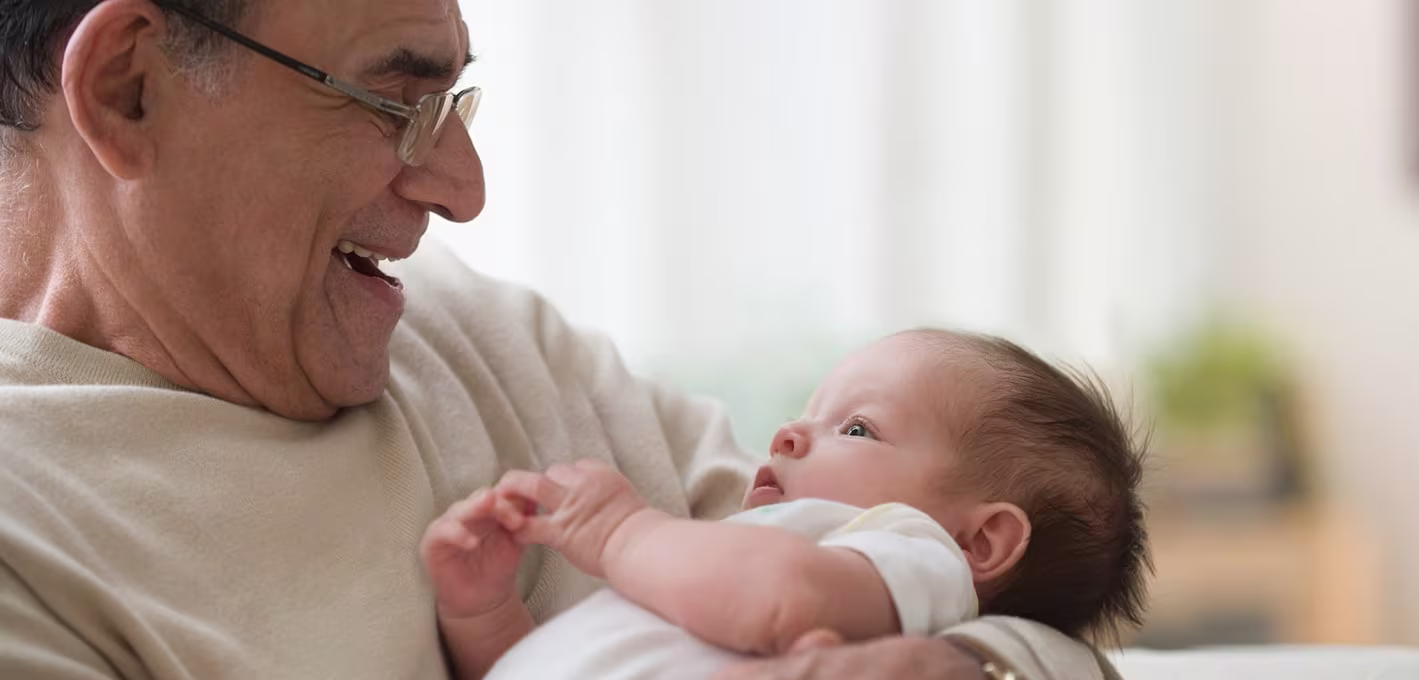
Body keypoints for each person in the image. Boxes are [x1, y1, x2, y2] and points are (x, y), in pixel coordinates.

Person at [0, 0, 1121, 678]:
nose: (463, 190)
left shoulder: (484, 338)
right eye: (399, 100)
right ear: (129, 86)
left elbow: (990, 596)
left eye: (459, 109)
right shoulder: (28, 532)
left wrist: (982, 661)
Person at [422, 330, 1151, 680]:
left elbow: (780, 597)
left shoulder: (911, 551)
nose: (789, 434)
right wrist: (485, 614)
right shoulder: (714, 564)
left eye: (857, 428)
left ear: (979, 543)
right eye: (810, 411)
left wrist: (618, 530)